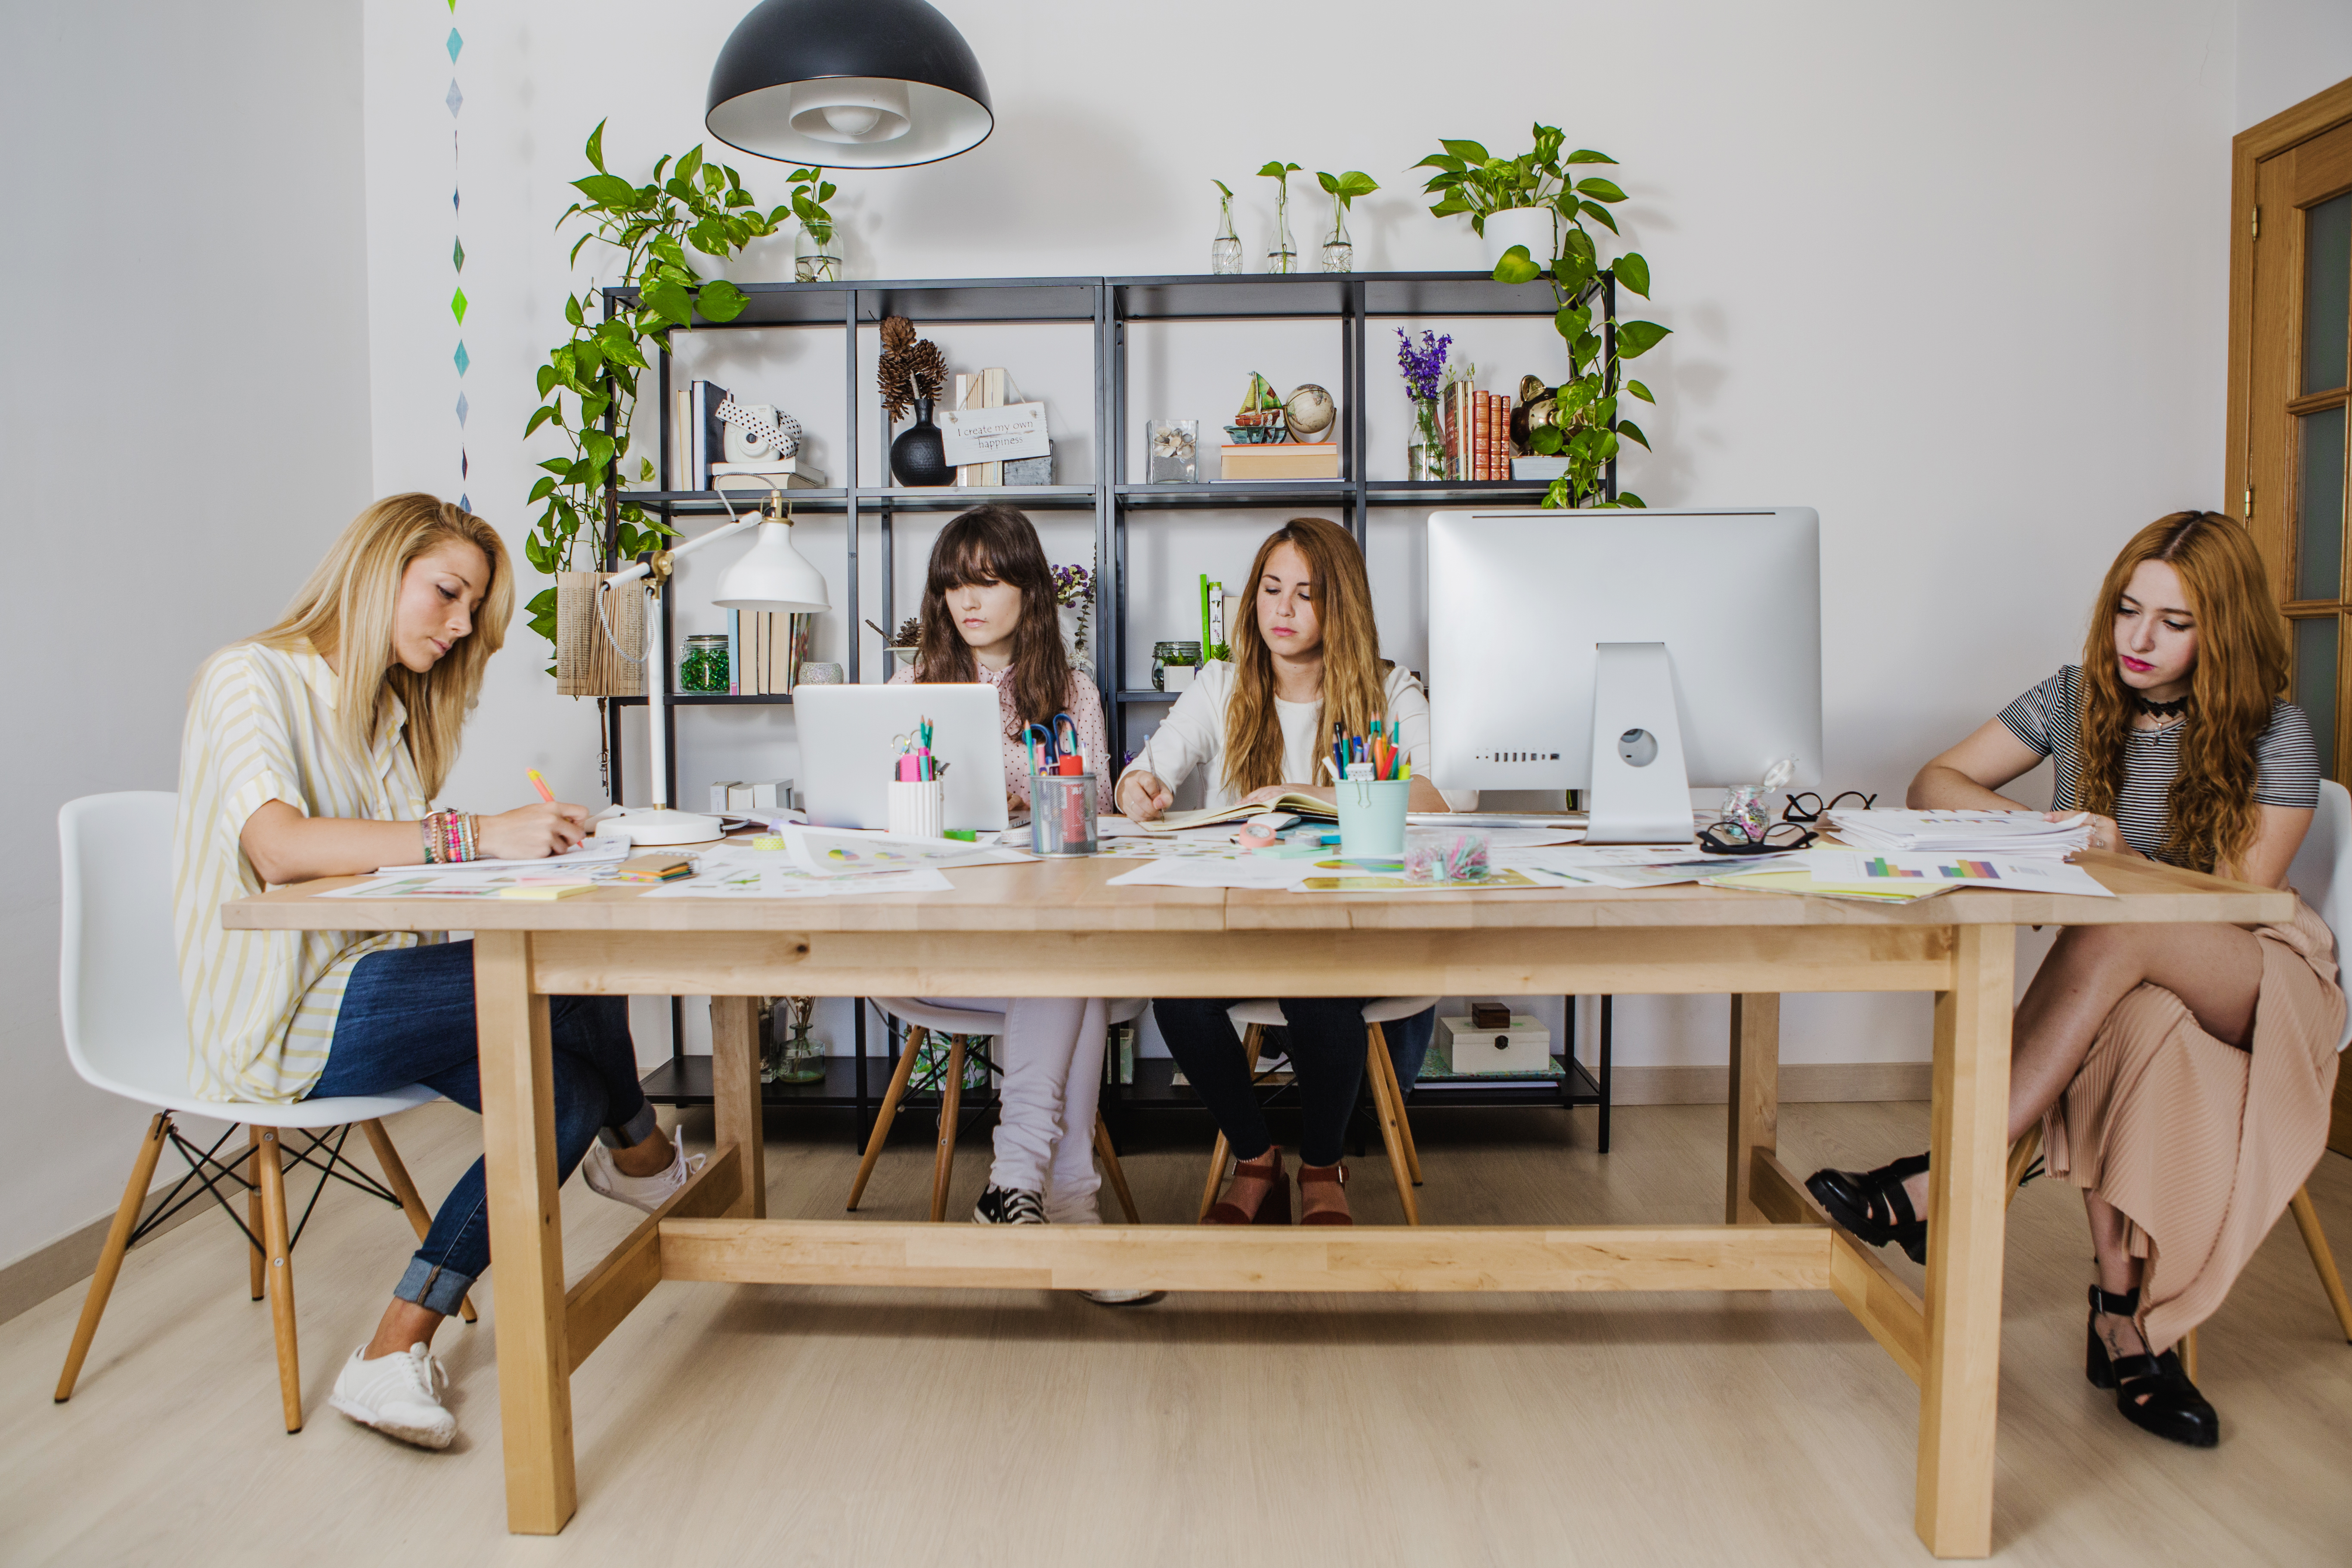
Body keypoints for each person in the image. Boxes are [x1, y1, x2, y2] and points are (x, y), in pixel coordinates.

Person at [172, 495, 700, 1451]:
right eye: (448, 595)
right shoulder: (248, 678)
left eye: (470, 610)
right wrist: (475, 835)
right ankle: (644, 1157)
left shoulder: (382, 715)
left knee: (564, 1091)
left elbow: (400, 870)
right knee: (572, 964)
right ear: (379, 569)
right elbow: (282, 848)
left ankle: (389, 1350)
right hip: (282, 1012)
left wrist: (514, 852)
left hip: (373, 986)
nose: (459, 627)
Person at [1805, 510, 2343, 1450]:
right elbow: (1935, 783)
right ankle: (2118, 1326)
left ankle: (1948, 1173)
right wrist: (2046, 831)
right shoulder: (2071, 697)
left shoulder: (2274, 729)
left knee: (2113, 933)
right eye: (2129, 610)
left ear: (2224, 628)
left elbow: (2227, 903)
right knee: (2124, 1010)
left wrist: (2122, 858)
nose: (2138, 639)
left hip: (2253, 973)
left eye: (2173, 623)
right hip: (2133, 981)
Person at [1117, 516, 1446, 1225]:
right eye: (1271, 590)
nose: (1284, 610)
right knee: (1176, 998)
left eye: (1307, 593)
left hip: (1347, 927)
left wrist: (1311, 797)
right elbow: (1146, 770)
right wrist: (1136, 789)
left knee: (1320, 996)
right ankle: (1257, 1155)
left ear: (1342, 604)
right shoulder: (1222, 685)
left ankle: (1323, 1167)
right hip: (1242, 922)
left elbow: (1439, 799)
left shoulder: (1390, 689)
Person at [888, 507, 1151, 1301]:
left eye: (987, 580)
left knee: (1065, 962)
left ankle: (1025, 1190)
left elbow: (1102, 818)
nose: (966, 601)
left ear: (1028, 590)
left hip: (1045, 934)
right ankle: (1061, 1197)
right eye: (952, 584)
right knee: (1071, 971)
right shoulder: (910, 691)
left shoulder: (1072, 693)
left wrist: (1042, 799)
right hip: (946, 940)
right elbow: (884, 825)